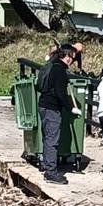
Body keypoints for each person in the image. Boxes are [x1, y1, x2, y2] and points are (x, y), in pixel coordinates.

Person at [38, 44, 81, 185]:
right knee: (52, 139)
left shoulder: (52, 66)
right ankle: (51, 172)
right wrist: (71, 108)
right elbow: (60, 93)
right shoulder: (59, 70)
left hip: (44, 105)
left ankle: (47, 165)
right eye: (72, 57)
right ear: (67, 56)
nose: (73, 60)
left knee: (48, 137)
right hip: (52, 108)